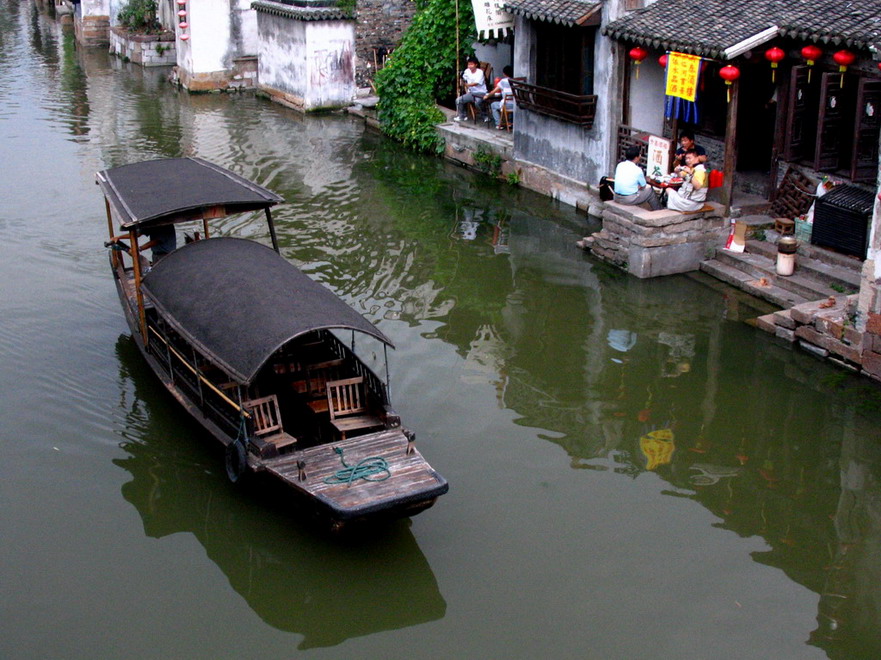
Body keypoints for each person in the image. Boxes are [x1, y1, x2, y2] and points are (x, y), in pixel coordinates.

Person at [613, 145, 661, 210]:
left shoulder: (620, 165)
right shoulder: (637, 170)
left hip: (616, 197)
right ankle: (659, 210)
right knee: (650, 191)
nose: (640, 157)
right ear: (636, 158)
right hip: (628, 199)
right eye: (639, 155)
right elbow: (643, 185)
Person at [108, 224, 177, 264]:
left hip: (166, 255)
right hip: (156, 254)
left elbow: (157, 241)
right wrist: (119, 237)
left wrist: (139, 249)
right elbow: (138, 234)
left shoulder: (166, 225)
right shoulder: (153, 224)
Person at [454, 57, 487, 122]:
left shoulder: (480, 72)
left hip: (481, 93)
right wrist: (462, 80)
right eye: (468, 64)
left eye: (471, 64)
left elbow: (476, 83)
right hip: (471, 93)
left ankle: (485, 116)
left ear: (476, 64)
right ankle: (462, 116)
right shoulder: (467, 71)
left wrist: (466, 85)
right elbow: (463, 78)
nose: (470, 66)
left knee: (477, 103)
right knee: (458, 100)